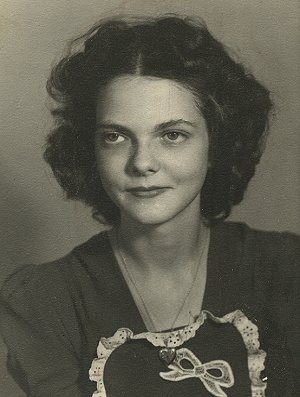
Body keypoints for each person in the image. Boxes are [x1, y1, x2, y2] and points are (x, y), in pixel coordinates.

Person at [0, 14, 299, 397]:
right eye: (116, 137)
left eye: (172, 135)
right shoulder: (44, 302)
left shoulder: (287, 272)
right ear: (89, 150)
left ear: (215, 146)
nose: (142, 162)